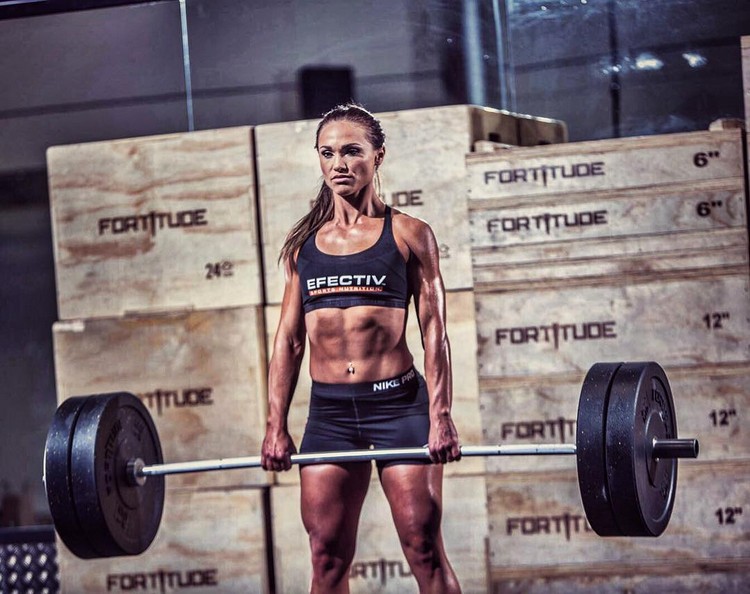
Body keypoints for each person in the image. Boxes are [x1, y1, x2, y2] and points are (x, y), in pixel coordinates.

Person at [261, 103, 462, 594]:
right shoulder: (303, 247)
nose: (339, 164)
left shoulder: (409, 234)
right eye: (328, 153)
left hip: (399, 407)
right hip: (330, 413)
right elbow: (289, 340)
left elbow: (434, 329)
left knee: (422, 546)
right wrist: (275, 426)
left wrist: (440, 415)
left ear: (378, 156)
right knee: (326, 557)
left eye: (352, 151)